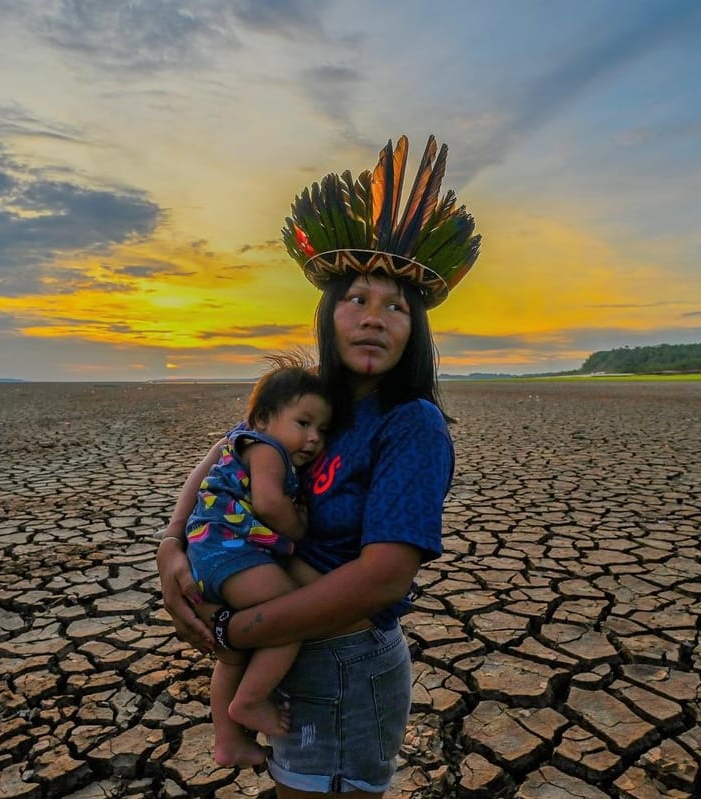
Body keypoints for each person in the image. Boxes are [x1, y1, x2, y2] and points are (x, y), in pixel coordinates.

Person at [156, 133, 480, 797]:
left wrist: (235, 627)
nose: (374, 318)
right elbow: (229, 449)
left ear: (415, 331)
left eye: (396, 307)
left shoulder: (409, 423)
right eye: (356, 299)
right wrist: (170, 546)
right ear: (328, 315)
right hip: (291, 658)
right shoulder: (314, 410)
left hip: (345, 665)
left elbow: (382, 578)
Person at [184, 356, 333, 767]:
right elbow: (268, 504)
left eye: (322, 429)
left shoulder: (245, 442)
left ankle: (227, 741)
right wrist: (300, 529)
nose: (314, 438)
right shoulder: (265, 448)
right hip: (231, 552)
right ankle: (250, 701)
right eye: (303, 423)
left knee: (231, 655)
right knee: (290, 616)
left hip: (213, 556)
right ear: (264, 419)